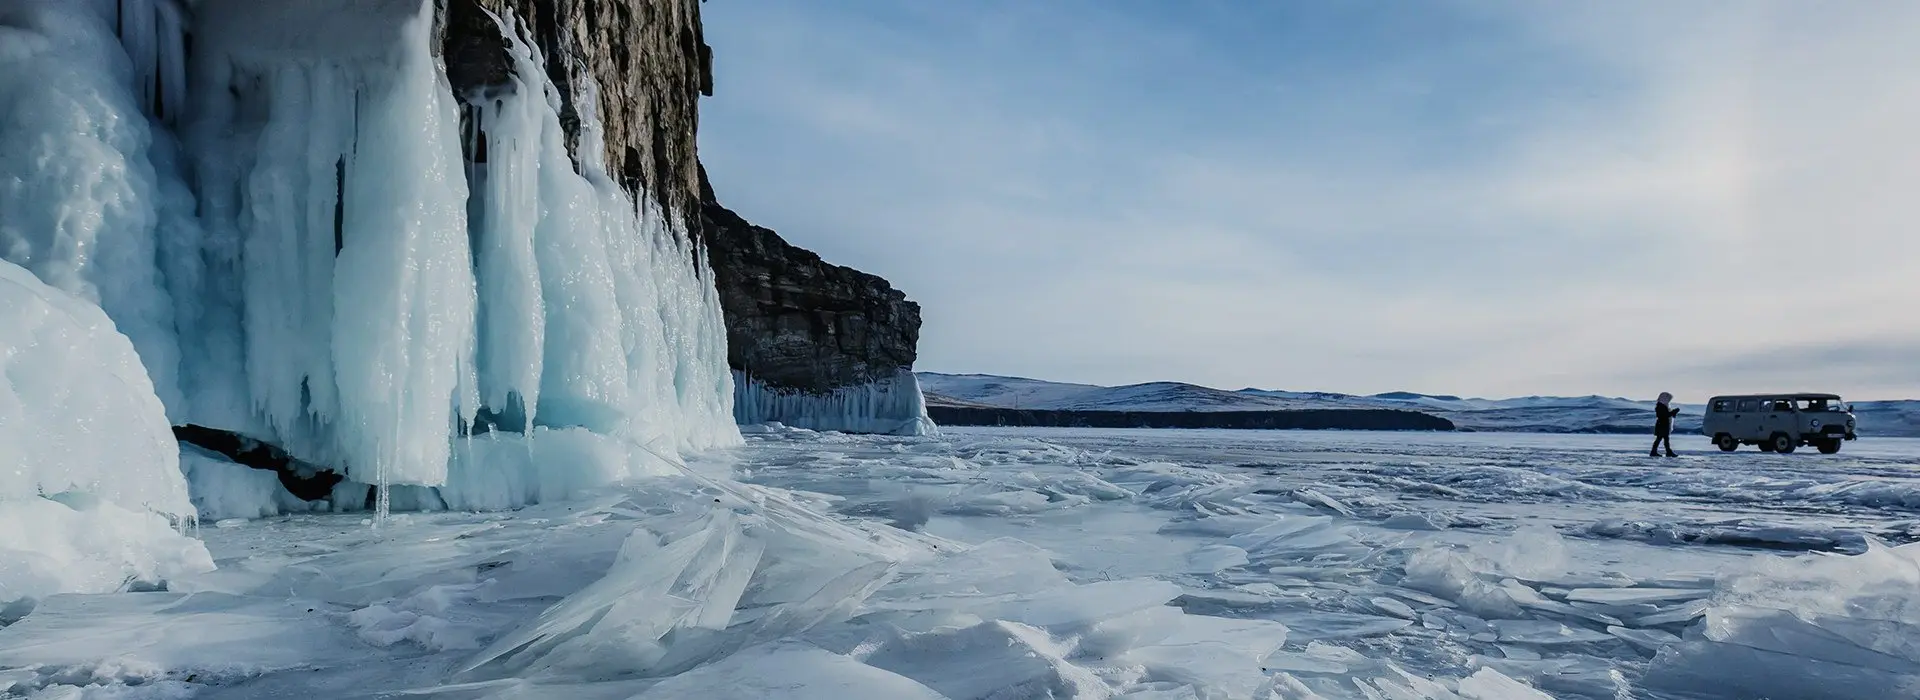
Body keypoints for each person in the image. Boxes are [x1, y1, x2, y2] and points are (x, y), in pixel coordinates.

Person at [1650, 392, 1678, 457]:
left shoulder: (1662, 406)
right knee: (1661, 438)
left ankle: (1665, 452)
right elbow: (1664, 415)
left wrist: (1673, 412)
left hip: (1663, 425)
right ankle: (1664, 452)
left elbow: (1666, 415)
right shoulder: (1660, 406)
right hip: (1662, 425)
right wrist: (1673, 412)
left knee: (1663, 439)